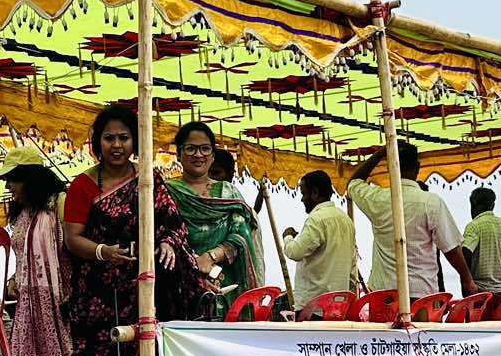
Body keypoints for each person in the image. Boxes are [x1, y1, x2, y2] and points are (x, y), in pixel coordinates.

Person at [60, 104, 216, 356]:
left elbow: (172, 226)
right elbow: (72, 238)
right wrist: (104, 253)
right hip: (96, 297)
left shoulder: (148, 181)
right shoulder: (83, 185)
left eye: (125, 138)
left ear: (136, 142)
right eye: (109, 138)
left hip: (142, 294)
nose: (117, 146)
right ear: (97, 142)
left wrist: (167, 245)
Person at [0, 148, 72, 356]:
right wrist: (15, 279)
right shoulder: (22, 215)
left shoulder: (61, 204)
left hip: (59, 301)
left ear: (29, 179)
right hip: (30, 307)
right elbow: (25, 255)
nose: (8, 188)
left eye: (12, 180)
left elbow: (72, 249)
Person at [166, 121, 262, 314]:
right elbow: (162, 234)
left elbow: (241, 236)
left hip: (226, 285)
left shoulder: (228, 192)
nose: (198, 154)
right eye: (191, 148)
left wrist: (210, 257)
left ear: (212, 156)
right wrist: (193, 267)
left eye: (205, 149)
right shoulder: (166, 191)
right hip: (179, 283)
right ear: (179, 154)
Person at [344, 141, 459, 298]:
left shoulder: (377, 199)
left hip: (383, 296)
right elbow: (451, 248)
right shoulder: (431, 202)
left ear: (390, 166)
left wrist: (381, 153)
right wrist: (467, 279)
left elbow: (353, 183)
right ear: (417, 168)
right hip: (422, 294)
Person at [281, 171, 360, 310]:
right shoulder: (346, 220)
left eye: (304, 194)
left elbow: (295, 252)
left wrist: (287, 237)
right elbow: (352, 266)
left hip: (313, 306)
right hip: (338, 305)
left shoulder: (316, 219)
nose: (302, 199)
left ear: (315, 193)